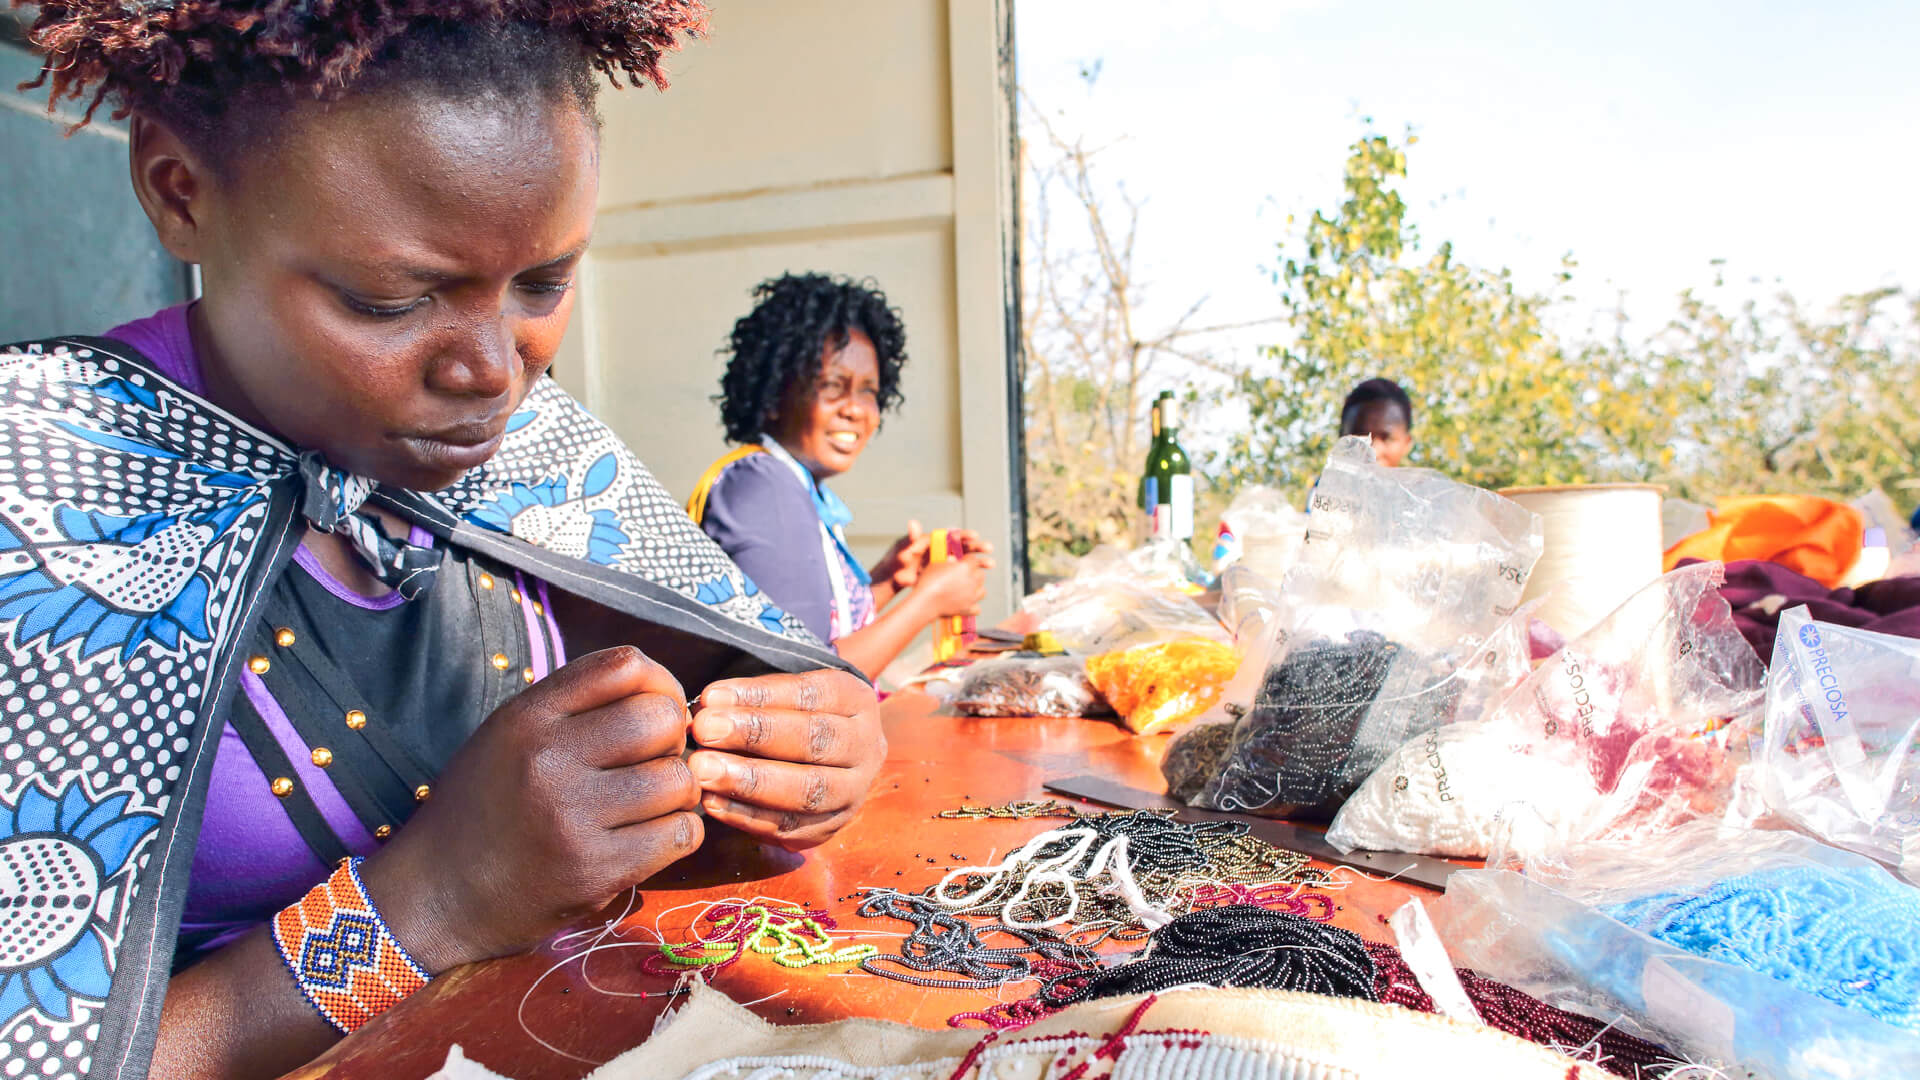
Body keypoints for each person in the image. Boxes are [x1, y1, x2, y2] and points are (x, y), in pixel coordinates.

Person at [0, 5, 887, 1078]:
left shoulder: (532, 447)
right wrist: (433, 904)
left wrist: (804, 760)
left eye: (543, 284)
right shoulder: (44, 491)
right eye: (392, 298)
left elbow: (719, 744)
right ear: (179, 191)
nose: (491, 372)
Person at [688, 273, 992, 680]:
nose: (855, 409)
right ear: (776, 393)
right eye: (833, 385)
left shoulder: (793, 484)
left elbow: (817, 632)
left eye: (868, 391)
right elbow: (805, 679)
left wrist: (889, 580)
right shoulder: (763, 486)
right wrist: (928, 602)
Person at [1339, 377, 1415, 467]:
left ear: (1407, 443)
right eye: (1360, 439)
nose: (1374, 452)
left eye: (1386, 439)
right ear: (1342, 439)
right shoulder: (1324, 481)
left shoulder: (1431, 480)